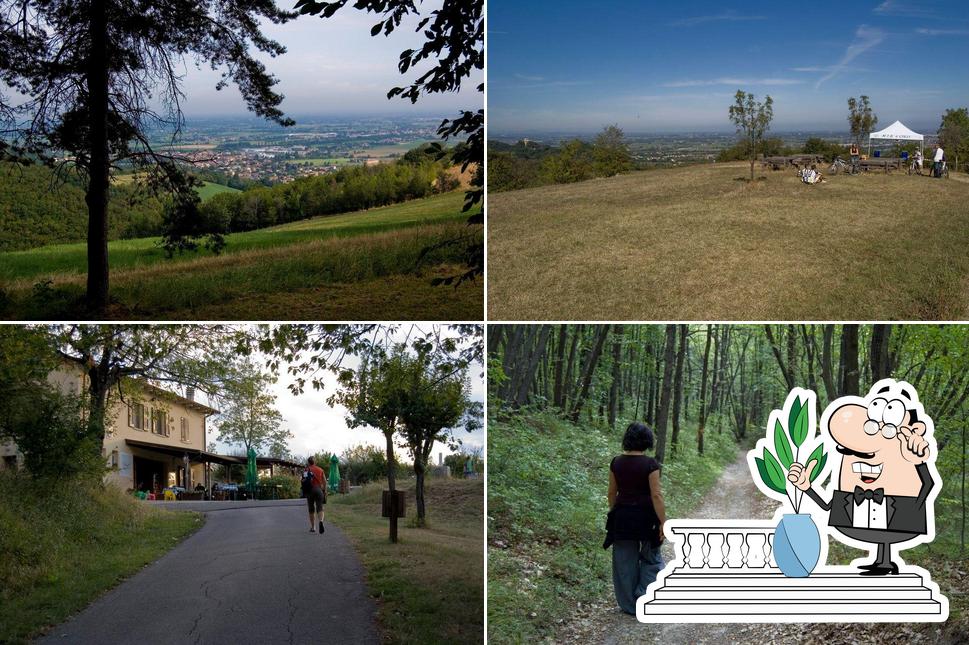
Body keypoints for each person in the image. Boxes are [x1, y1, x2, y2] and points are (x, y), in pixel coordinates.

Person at [788, 380, 936, 576]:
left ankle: (885, 562)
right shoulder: (849, 492)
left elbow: (929, 483)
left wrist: (914, 502)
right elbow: (826, 506)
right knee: (881, 533)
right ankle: (881, 561)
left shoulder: (908, 454)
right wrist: (806, 486)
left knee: (887, 532)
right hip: (860, 511)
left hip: (900, 510)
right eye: (850, 451)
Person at [604, 422, 667, 615]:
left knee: (623, 563)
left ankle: (629, 605)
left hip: (622, 517)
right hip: (646, 518)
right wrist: (663, 522)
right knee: (652, 559)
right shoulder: (650, 464)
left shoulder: (616, 462)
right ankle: (643, 596)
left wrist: (616, 512)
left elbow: (611, 493)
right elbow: (656, 495)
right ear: (647, 440)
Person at [303, 456, 326, 534]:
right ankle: (321, 521)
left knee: (311, 509)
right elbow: (325, 481)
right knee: (320, 507)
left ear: (308, 462)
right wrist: (324, 490)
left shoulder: (306, 470)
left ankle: (313, 527)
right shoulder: (320, 469)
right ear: (314, 462)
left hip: (309, 491)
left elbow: (304, 480)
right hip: (319, 490)